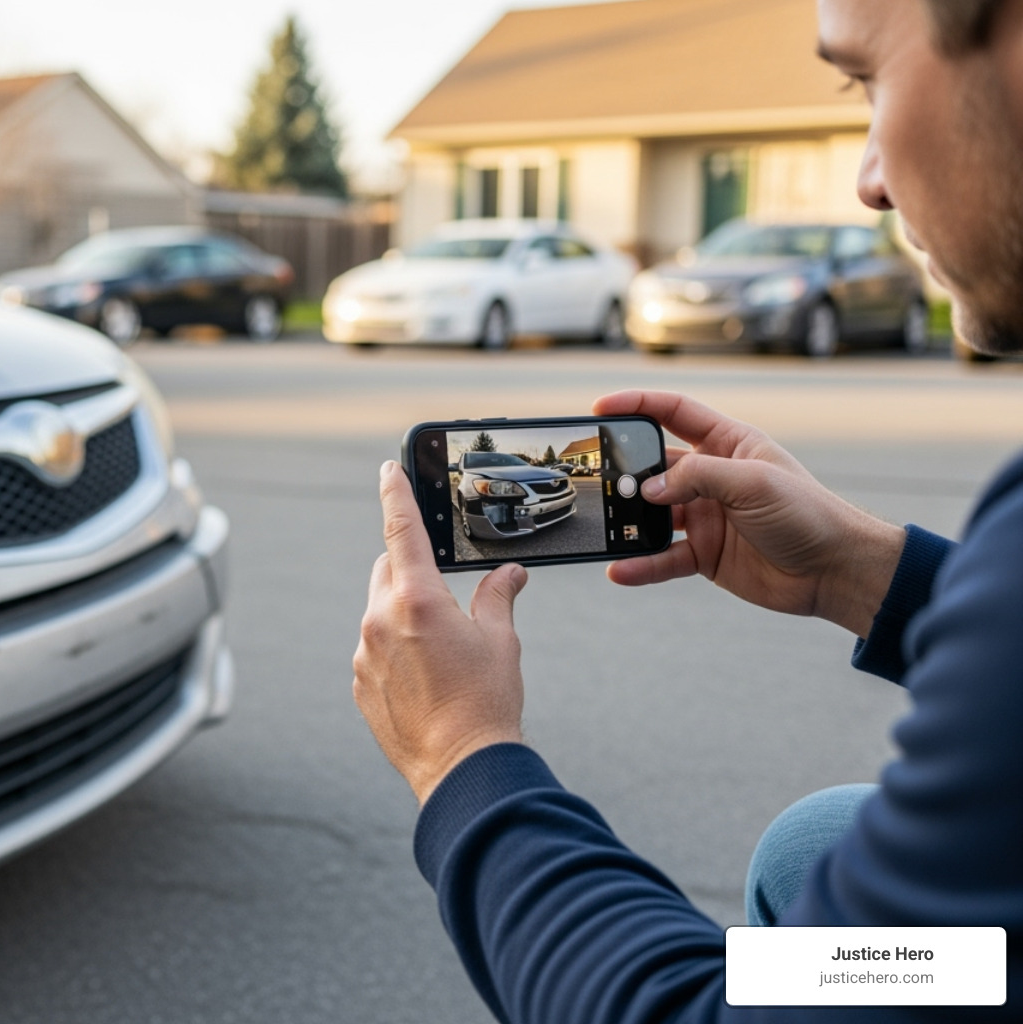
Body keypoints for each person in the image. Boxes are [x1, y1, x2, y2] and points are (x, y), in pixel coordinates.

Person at [351, 0, 1023, 1019]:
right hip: (987, 961)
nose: (870, 179)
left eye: (868, 82)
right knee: (818, 852)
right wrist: (857, 571)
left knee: (767, 949)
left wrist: (463, 760)